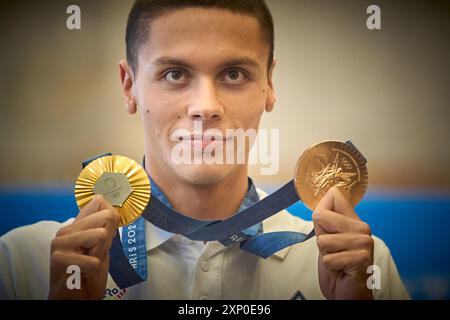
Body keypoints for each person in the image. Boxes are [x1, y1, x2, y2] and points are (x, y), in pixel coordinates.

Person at [0, 0, 410, 300]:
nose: (206, 107)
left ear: (269, 84)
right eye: (175, 74)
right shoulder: (23, 264)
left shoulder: (357, 266)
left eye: (234, 73)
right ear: (129, 86)